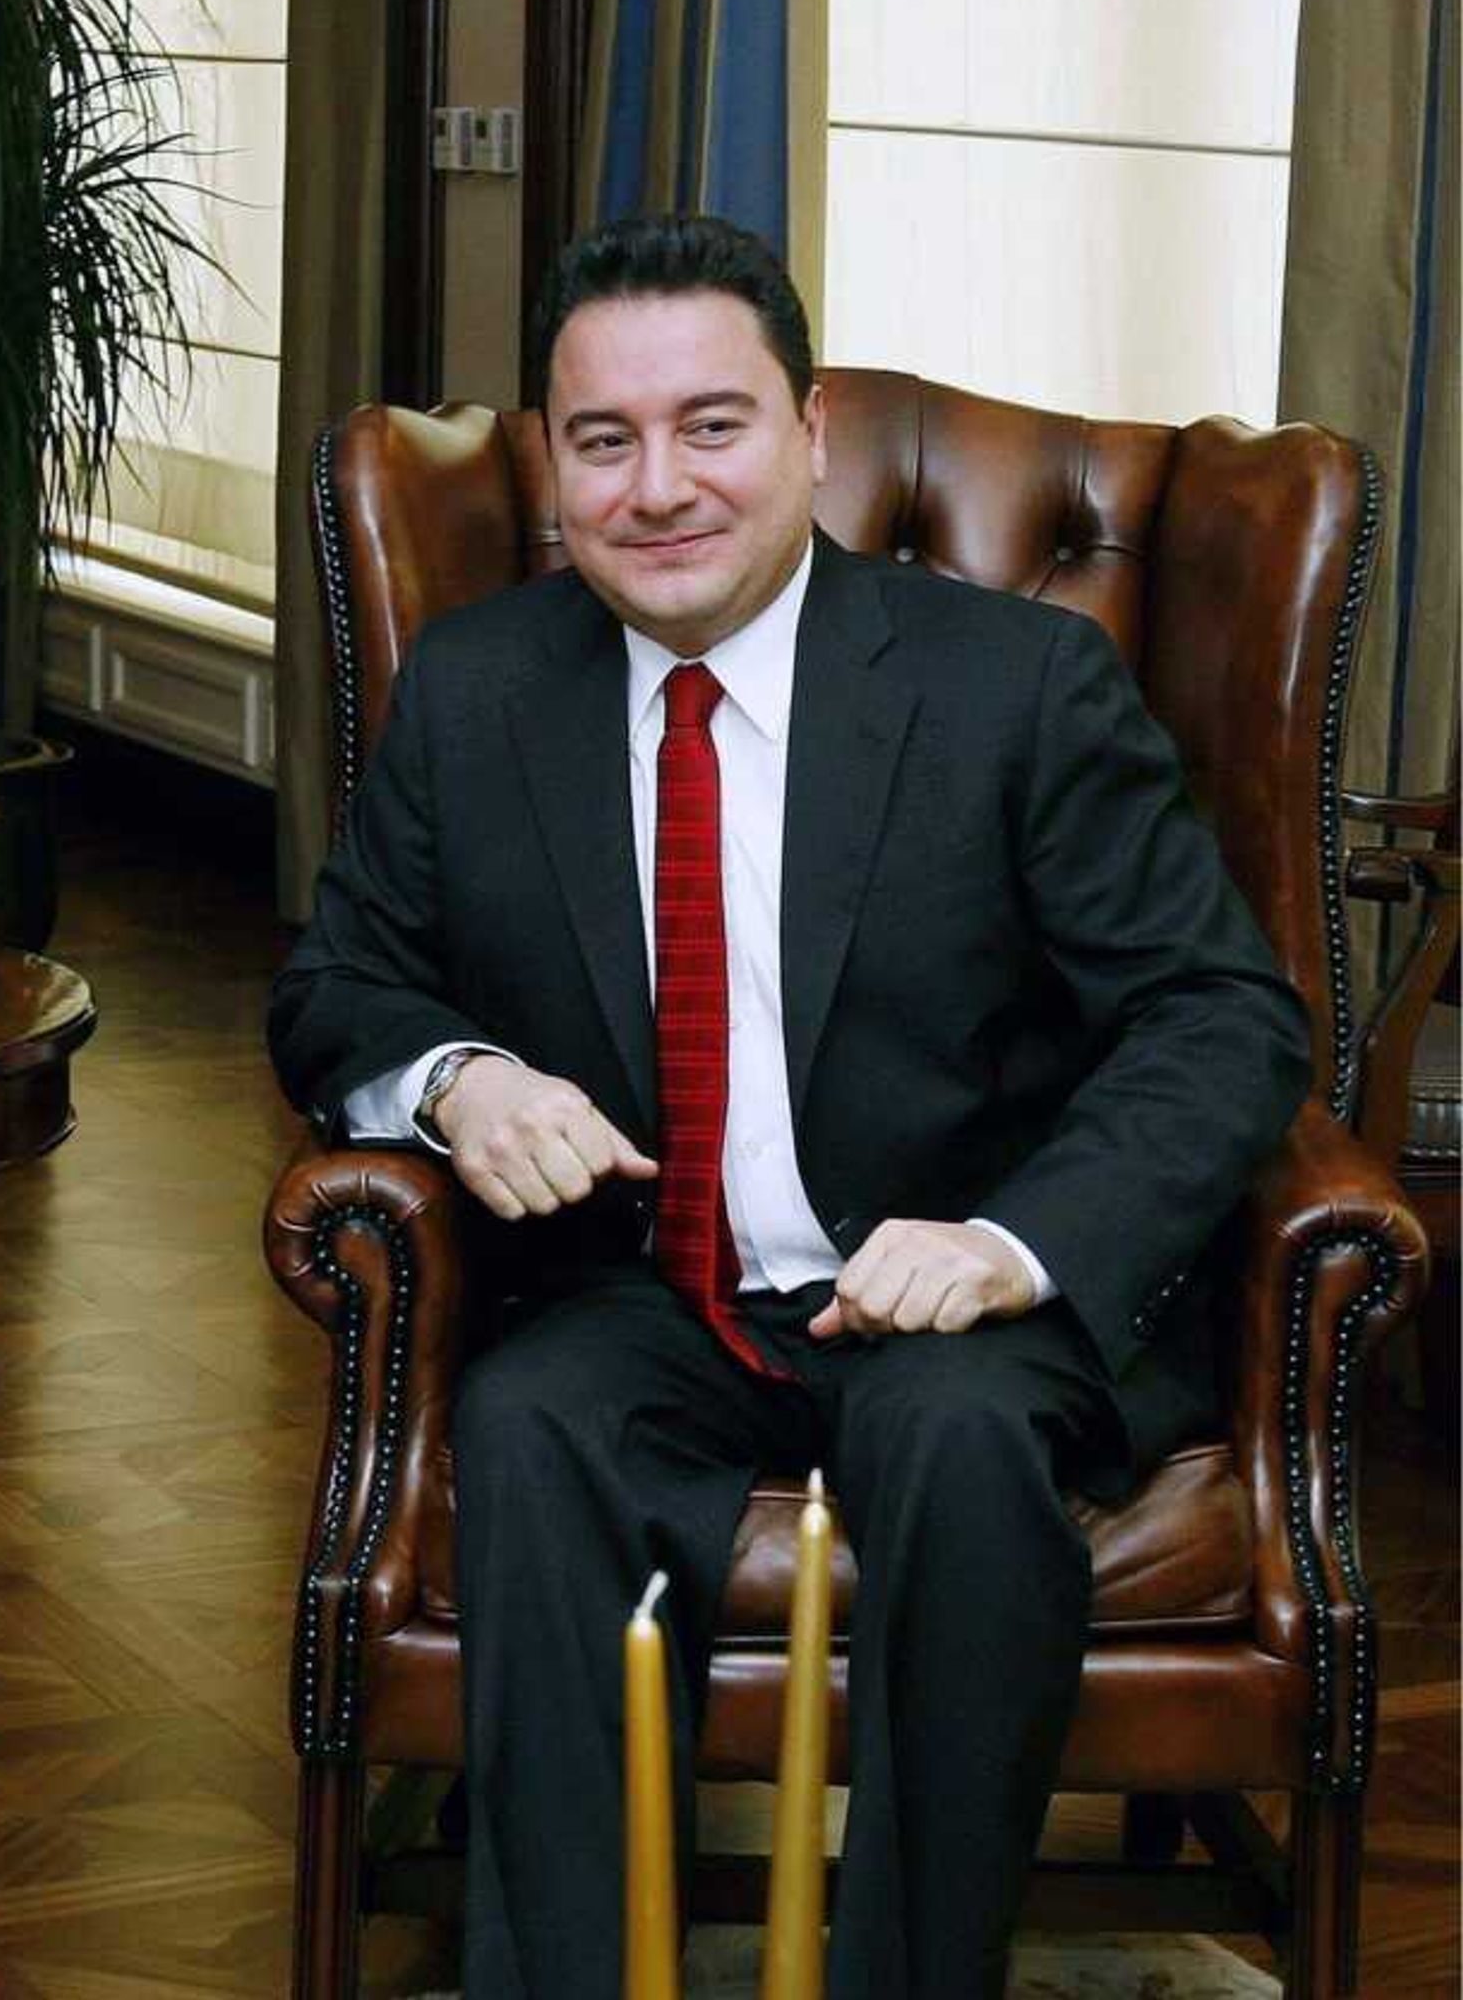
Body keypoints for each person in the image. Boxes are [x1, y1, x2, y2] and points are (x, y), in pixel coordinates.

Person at [268, 214, 1303, 2000]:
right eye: (604, 440)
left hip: (948, 1297)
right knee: (527, 1427)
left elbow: (1220, 1013)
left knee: (962, 1450)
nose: (658, 485)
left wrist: (1011, 1243)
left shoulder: (1011, 686)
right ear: (552, 460)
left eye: (713, 423)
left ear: (810, 427)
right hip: (633, 1291)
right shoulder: (479, 690)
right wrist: (459, 1075)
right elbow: (332, 984)